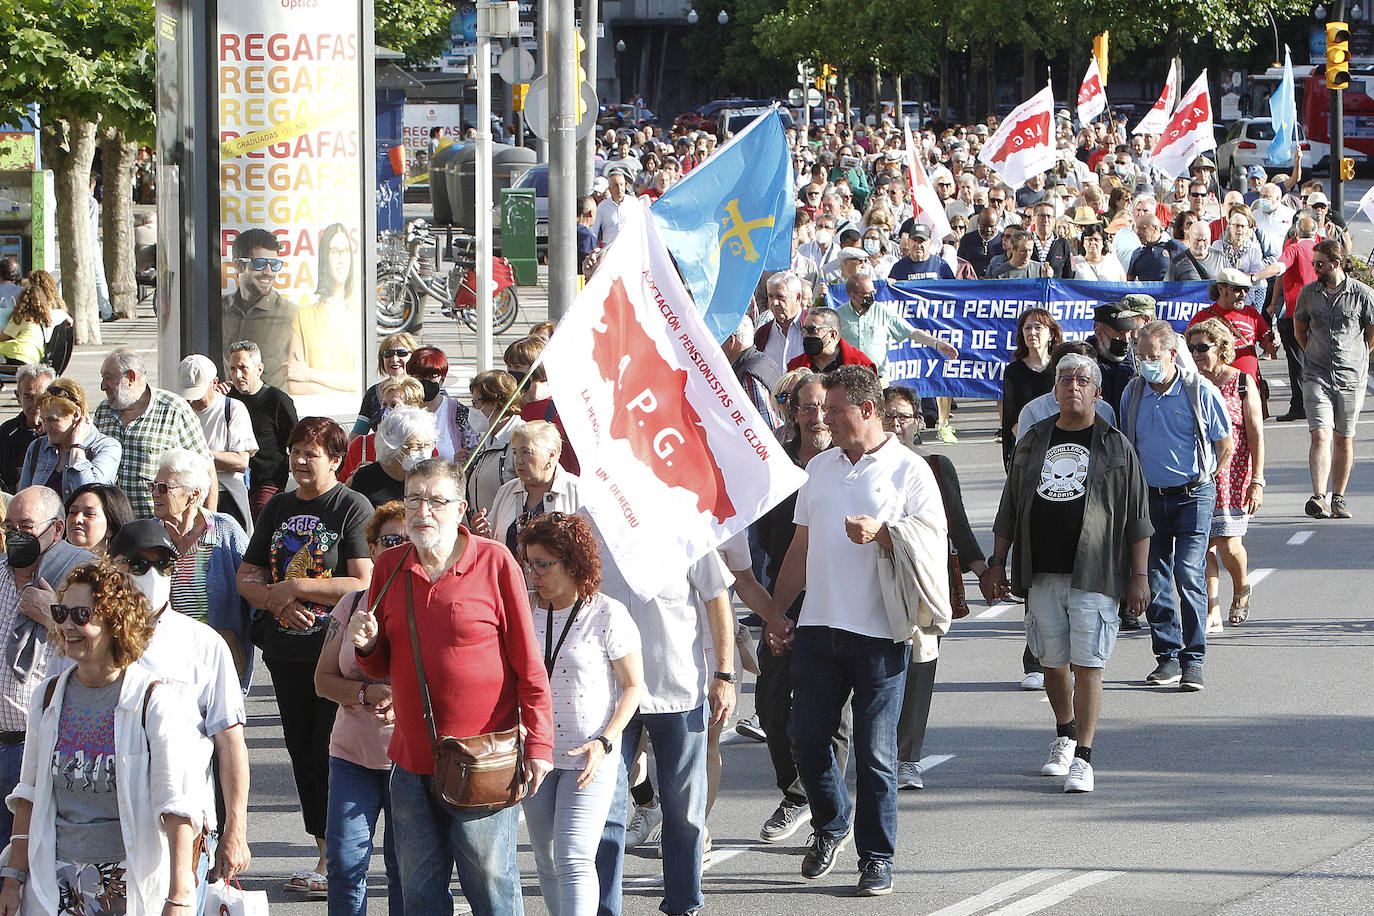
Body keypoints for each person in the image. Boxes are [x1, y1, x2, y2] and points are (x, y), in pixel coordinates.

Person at [765, 366, 949, 896]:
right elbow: (799, 549)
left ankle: (876, 857)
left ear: (867, 411)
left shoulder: (909, 470)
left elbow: (934, 545)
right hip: (820, 628)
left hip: (880, 634)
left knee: (874, 752)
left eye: (836, 409)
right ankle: (832, 822)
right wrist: (779, 612)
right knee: (804, 738)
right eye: (821, 408)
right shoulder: (818, 468)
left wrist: (885, 533)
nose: (824, 418)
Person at [349, 458, 554, 916]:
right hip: (412, 760)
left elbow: (528, 662)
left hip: (483, 758)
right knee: (419, 893)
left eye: (437, 501)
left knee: (491, 886)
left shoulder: (495, 561)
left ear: (460, 508)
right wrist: (366, 645)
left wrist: (539, 745)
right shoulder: (388, 567)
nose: (423, 511)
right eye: (414, 499)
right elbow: (381, 664)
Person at [0, 560, 208, 914]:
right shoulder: (48, 697)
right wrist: (12, 879)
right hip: (55, 880)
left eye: (81, 614)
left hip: (127, 880)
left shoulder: (153, 700)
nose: (67, 625)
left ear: (116, 622)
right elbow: (29, 794)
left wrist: (179, 896)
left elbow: (176, 806)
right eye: (61, 612)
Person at [986, 354, 1153, 793]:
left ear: (1097, 392)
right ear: (1054, 390)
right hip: (1041, 572)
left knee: (1089, 664)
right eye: (1064, 379)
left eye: (1082, 380)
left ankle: (1084, 755)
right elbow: (1010, 505)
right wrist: (997, 561)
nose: (1072, 386)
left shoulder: (1116, 445)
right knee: (1052, 664)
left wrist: (1139, 576)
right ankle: (1064, 733)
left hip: (1095, 574)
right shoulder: (1034, 439)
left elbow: (1138, 517)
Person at [236, 417, 374, 896]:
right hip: (285, 651)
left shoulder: (351, 506)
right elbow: (247, 575)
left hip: (332, 651)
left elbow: (361, 580)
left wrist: (296, 586)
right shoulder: (277, 507)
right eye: (294, 452)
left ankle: (337, 857)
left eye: (310, 453)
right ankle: (322, 849)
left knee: (328, 749)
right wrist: (277, 599)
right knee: (302, 753)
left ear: (335, 460)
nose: (298, 461)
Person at [103, 519, 253, 898]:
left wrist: (236, 830)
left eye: (164, 565)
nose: (152, 575)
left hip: (181, 833)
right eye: (139, 565)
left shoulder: (204, 644)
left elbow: (230, 743)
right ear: (112, 566)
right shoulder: (86, 639)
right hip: (101, 829)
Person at [518, 513, 643, 916]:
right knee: (546, 860)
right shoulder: (522, 609)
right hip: (535, 753)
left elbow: (633, 686)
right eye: (529, 563)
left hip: (589, 755)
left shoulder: (607, 613)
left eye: (543, 564)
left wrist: (606, 741)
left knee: (573, 858)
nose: (533, 572)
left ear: (572, 563)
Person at [750, 372, 849, 841]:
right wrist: (774, 609)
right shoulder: (778, 468)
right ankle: (798, 791)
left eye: (823, 408)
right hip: (785, 598)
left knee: (832, 710)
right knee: (771, 705)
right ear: (793, 414)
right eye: (807, 408)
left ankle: (825, 807)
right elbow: (767, 542)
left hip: (837, 600)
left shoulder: (847, 464)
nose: (816, 417)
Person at [883, 386, 988, 790]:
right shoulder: (862, 467)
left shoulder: (937, 467)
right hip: (876, 581)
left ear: (917, 423)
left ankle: (907, 757)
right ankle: (874, 750)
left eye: (904, 417)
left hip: (925, 585)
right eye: (889, 416)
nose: (896, 425)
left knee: (920, 667)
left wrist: (985, 570)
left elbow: (957, 524)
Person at [1121, 321, 1232, 692]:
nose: (1147, 364)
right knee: (1153, 576)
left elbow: (1223, 443)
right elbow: (1128, 445)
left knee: (1188, 573)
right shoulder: (1133, 392)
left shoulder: (1200, 391)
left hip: (1193, 495)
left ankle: (1194, 659)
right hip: (1150, 497)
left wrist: (1207, 478)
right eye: (1141, 357)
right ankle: (1167, 655)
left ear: (1172, 354)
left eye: (1153, 357)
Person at [314, 500, 407, 916]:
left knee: (405, 870)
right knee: (346, 866)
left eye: (408, 540)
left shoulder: (429, 605)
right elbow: (323, 681)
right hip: (352, 755)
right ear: (372, 549)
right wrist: (369, 695)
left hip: (410, 760)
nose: (399, 547)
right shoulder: (351, 604)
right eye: (389, 540)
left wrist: (402, 700)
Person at [0, 486, 95, 845]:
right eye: (8, 526)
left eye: (26, 527)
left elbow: (104, 653)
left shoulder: (80, 581)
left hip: (36, 747)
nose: (14, 536)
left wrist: (53, 614)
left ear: (56, 530)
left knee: (28, 858)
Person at [149, 449, 254, 689]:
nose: (155, 494)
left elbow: (255, 585)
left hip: (215, 659)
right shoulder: (149, 535)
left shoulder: (224, 530)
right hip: (164, 661)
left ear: (193, 495)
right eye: (153, 486)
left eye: (164, 488)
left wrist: (238, 639)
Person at [1185, 321, 1266, 631]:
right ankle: (1212, 607)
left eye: (1202, 347)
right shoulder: (1189, 383)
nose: (1196, 354)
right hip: (1198, 475)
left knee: (1229, 544)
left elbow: (1255, 433)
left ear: (1220, 347)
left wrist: (1258, 479)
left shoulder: (1241, 383)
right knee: (1201, 544)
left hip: (1233, 476)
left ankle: (1242, 585)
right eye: (1191, 348)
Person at [1293, 239, 1374, 520]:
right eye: (1314, 263)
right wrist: (1313, 355)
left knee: (1343, 438)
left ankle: (1338, 497)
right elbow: (1300, 329)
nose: (1315, 268)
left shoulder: (1363, 294)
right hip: (1316, 374)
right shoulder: (1308, 294)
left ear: (1336, 264)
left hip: (1351, 378)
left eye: (1319, 264)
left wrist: (1357, 356)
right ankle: (1318, 496)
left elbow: (1371, 334)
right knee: (1320, 433)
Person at [94, 347, 216, 520]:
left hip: (161, 529)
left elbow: (206, 469)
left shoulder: (174, 410)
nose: (102, 386)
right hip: (113, 527)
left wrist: (209, 523)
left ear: (130, 378)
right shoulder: (103, 411)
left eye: (108, 378)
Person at [177, 354, 258, 534]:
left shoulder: (233, 409)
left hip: (227, 495)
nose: (192, 400)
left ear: (214, 383)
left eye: (197, 393)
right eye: (187, 394)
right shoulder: (179, 411)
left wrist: (198, 455)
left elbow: (241, 462)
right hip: (188, 498)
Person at [478, 421, 581, 555]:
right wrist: (480, 534)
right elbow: (492, 544)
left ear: (551, 455)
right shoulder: (506, 491)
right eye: (515, 453)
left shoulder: (576, 490)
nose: (518, 460)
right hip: (511, 575)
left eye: (526, 452)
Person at [284, 222, 362, 396]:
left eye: (346, 251)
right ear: (324, 257)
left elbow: (359, 382)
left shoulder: (359, 314)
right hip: (313, 417)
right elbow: (295, 385)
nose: (342, 259)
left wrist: (310, 375)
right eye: (335, 252)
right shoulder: (304, 316)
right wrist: (343, 389)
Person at [1254, 216, 1320, 422]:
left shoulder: (1294, 248)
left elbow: (1278, 269)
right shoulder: (1321, 246)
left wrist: (1254, 277)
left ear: (1296, 233)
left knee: (1297, 359)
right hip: (1321, 312)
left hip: (1296, 312)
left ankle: (1299, 404)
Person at [837, 272, 957, 383]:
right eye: (867, 294)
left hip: (878, 379)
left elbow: (912, 332)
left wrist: (937, 344)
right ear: (853, 295)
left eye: (873, 292)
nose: (871, 297)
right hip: (849, 379)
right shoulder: (839, 315)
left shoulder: (883, 312)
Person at [226, 340, 299, 519]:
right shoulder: (227, 398)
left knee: (262, 525)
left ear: (259, 369)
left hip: (267, 482)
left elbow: (296, 439)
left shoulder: (278, 400)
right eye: (233, 369)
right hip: (233, 479)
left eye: (243, 368)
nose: (237, 375)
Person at [17, 377, 121, 501]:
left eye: (52, 420)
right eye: (43, 420)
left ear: (76, 415)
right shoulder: (37, 448)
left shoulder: (107, 447)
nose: (45, 428)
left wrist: (77, 446)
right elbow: (22, 500)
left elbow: (90, 497)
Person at [221, 228, 297, 389]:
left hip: (267, 411)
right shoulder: (218, 310)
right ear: (238, 265)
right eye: (260, 264)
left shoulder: (291, 315)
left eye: (274, 265)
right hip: (226, 408)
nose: (268, 272)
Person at [999, 308, 1064, 470]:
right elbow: (1012, 421)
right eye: (1027, 328)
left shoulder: (1062, 369)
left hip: (1060, 447)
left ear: (1051, 334)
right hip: (1026, 448)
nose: (1032, 332)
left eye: (1038, 327)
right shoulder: (1013, 371)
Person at [1186, 268, 1276, 383]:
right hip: (1217, 387)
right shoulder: (1202, 317)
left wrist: (1274, 342)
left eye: (1246, 289)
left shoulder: (1252, 313)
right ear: (1220, 289)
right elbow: (1189, 352)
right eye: (1237, 289)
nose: (1243, 294)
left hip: (1249, 387)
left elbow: (1269, 347)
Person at [465, 370, 526, 520]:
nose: (473, 409)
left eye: (476, 402)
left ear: (493, 403)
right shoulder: (486, 439)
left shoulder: (522, 438)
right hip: (484, 533)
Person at [341, 376, 425, 484]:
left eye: (394, 405)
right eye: (384, 404)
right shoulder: (361, 445)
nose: (386, 411)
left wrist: (375, 472)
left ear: (412, 410)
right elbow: (344, 488)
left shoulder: (424, 446)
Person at [350, 407, 438, 508]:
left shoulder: (433, 479)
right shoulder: (364, 479)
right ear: (392, 446)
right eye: (415, 447)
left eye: (427, 445)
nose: (423, 453)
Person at [407, 347, 479, 465]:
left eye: (432, 376)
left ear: (442, 379)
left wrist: (457, 467)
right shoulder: (401, 412)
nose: (425, 382)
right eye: (418, 377)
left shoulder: (459, 412)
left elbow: (473, 458)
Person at [721, 316, 784, 434]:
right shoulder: (763, 360)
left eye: (720, 339)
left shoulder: (749, 374)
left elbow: (767, 425)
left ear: (731, 341)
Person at [0, 364, 55, 495]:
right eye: (28, 397)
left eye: (42, 397)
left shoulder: (63, 433)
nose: (35, 404)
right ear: (18, 397)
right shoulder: (6, 433)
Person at [351, 333, 418, 439]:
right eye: (388, 354)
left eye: (401, 353)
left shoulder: (424, 389)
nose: (394, 359)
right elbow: (358, 433)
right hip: (382, 453)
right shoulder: (373, 393)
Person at [786, 306, 875, 374]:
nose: (806, 335)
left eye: (812, 330)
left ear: (832, 334)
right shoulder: (796, 366)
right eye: (804, 330)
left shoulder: (860, 365)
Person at [754, 272, 809, 373]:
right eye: (770, 297)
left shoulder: (815, 328)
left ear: (798, 298)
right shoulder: (762, 334)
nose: (774, 303)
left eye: (780, 297)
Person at [64, 483, 134, 557]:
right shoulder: (53, 564)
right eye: (72, 512)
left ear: (110, 527)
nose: (77, 519)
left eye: (89, 513)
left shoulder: (123, 567)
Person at [0, 283, 54, 366]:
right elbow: (62, 313)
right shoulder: (43, 320)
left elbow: (4, 337)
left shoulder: (20, 316)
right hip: (33, 356)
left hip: (17, 351)